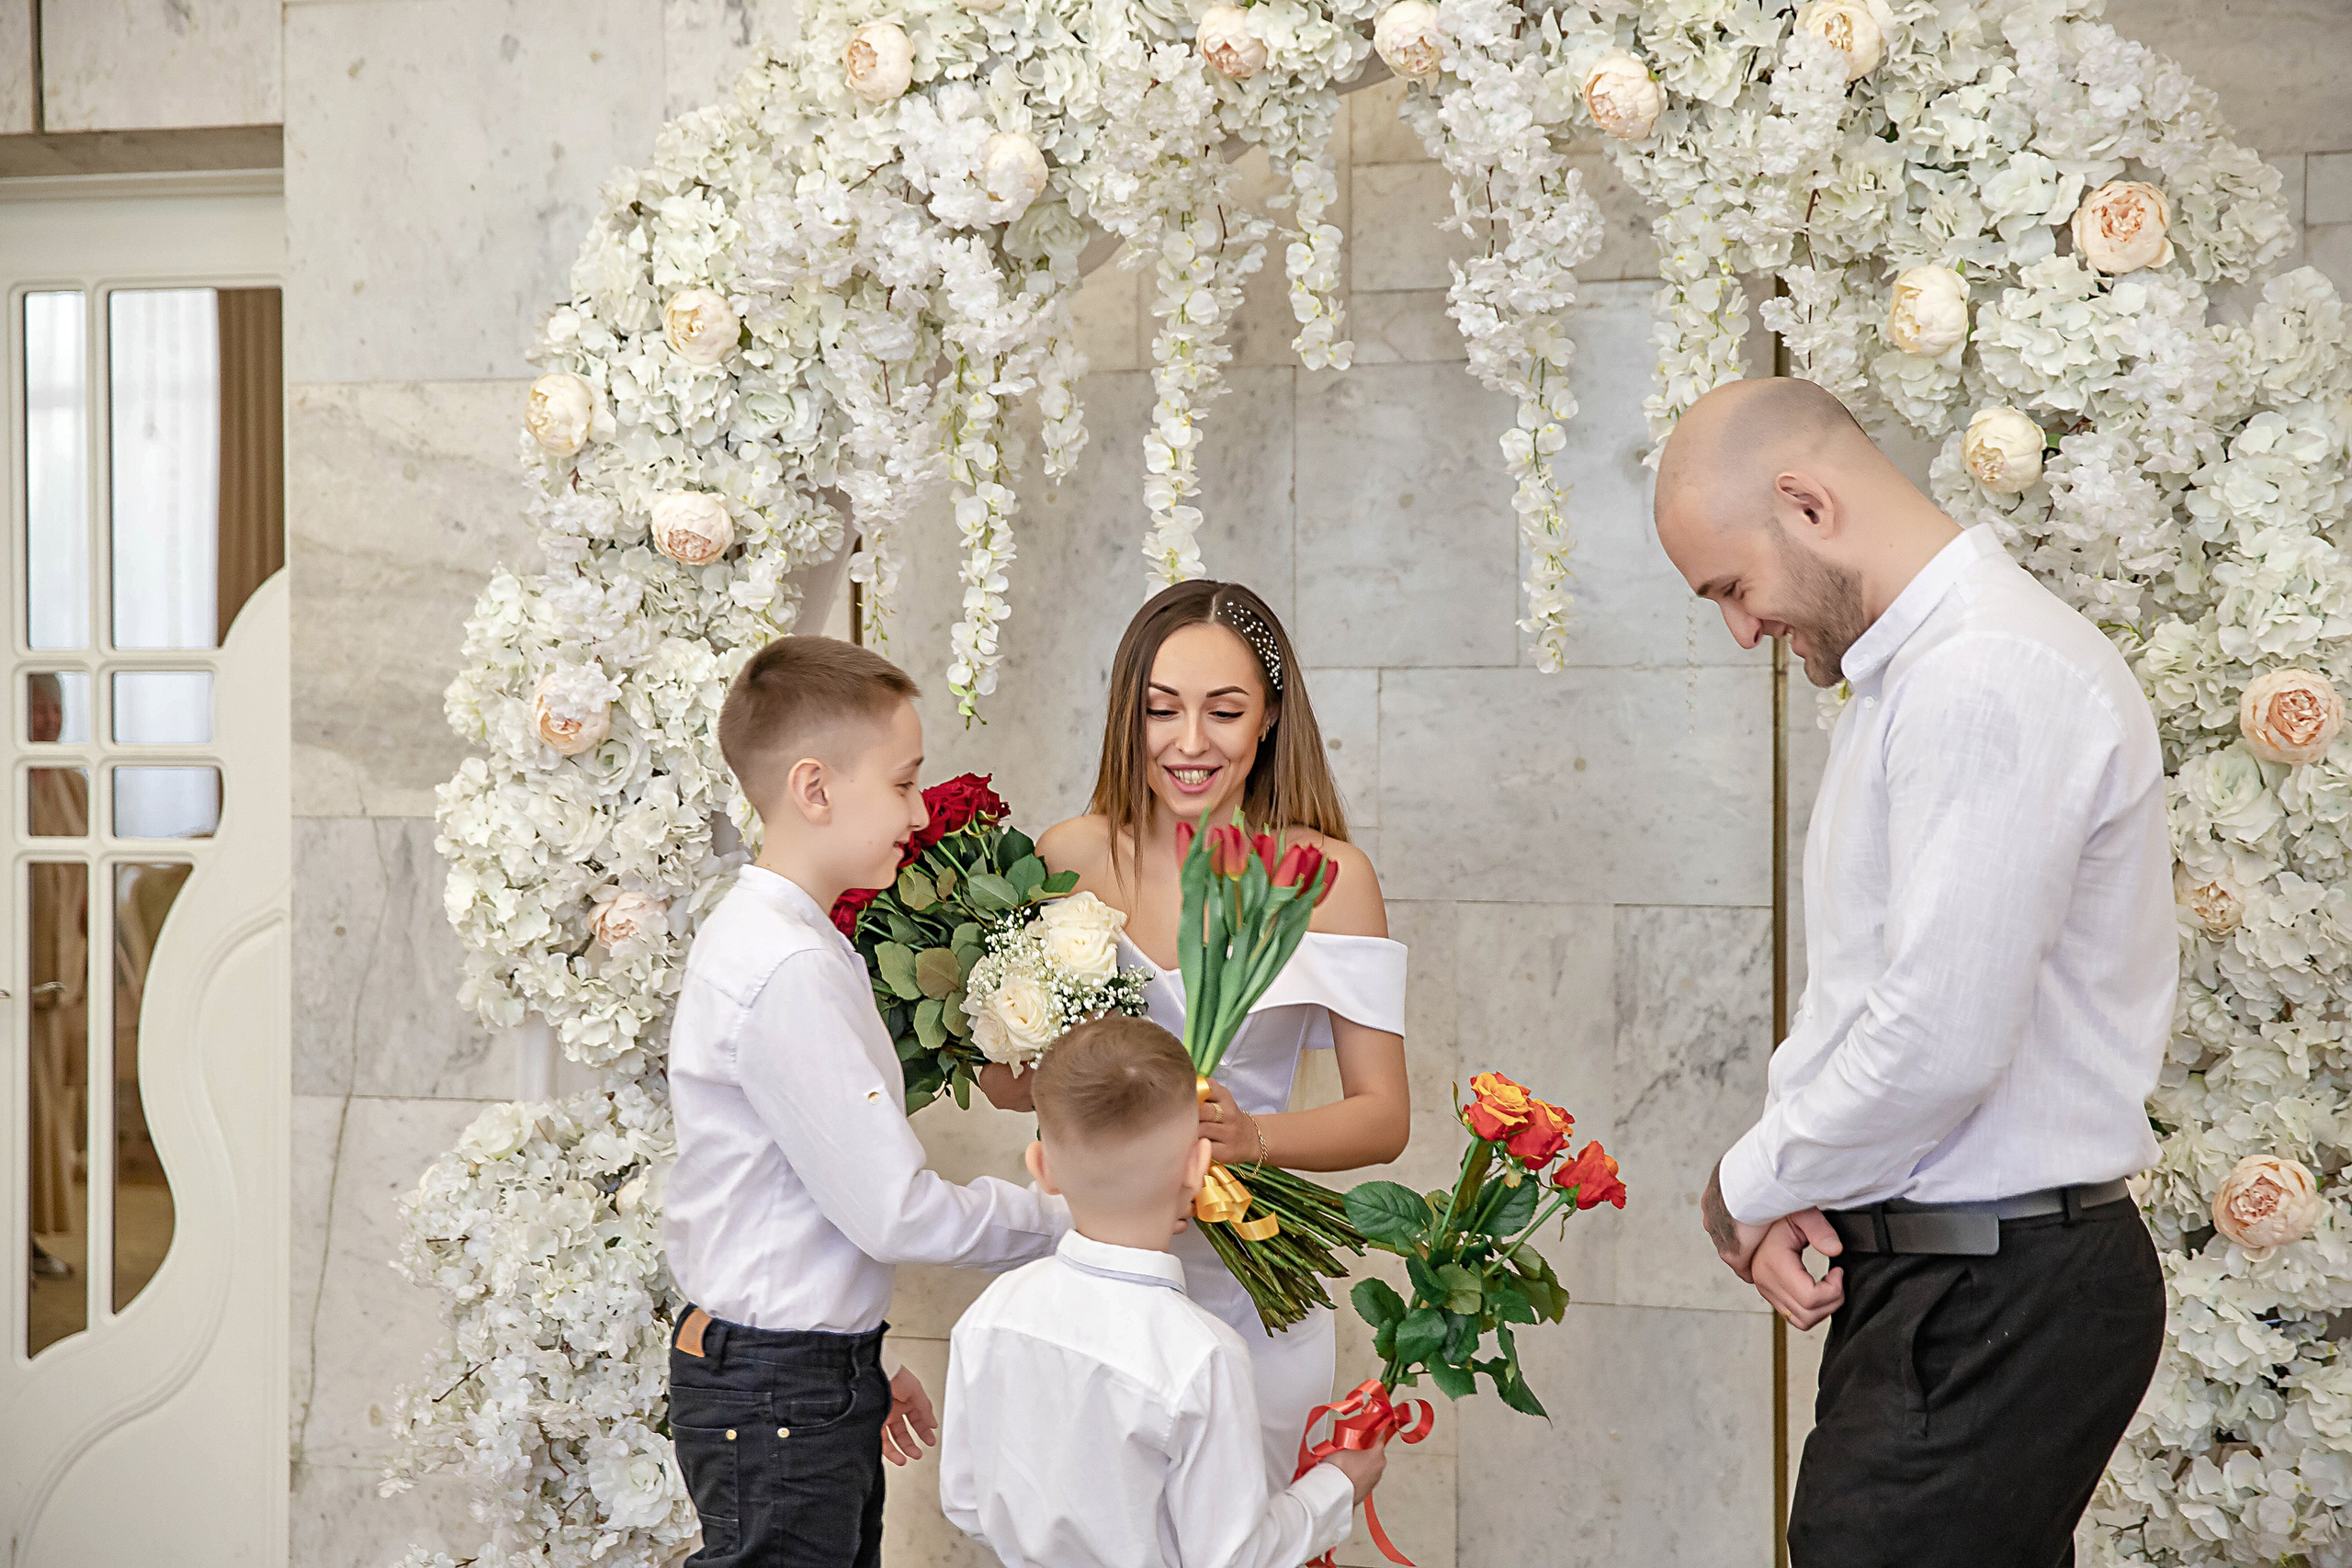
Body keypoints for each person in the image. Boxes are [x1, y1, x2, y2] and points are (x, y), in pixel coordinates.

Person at [1651, 377, 2172, 1564]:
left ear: (1806, 502)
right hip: (1953, 1272)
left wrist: (1744, 1185)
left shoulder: (1985, 673)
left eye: (1733, 586)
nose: (1740, 629)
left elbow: (1938, 1033)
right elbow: (1864, 1004)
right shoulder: (1925, 676)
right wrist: (1808, 1178)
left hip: (1995, 1286)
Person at [662, 635, 1071, 1568]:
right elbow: (892, 1211)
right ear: (815, 788)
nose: (919, 811)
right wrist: (1071, 1220)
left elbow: (789, 1205)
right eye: (901, 783)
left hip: (791, 1373)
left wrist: (856, 1363)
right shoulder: (789, 964)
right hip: (775, 1390)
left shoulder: (789, 938)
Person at [1026, 581, 1410, 1487]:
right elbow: (1025, 1084)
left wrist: (1253, 1139)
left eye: (1224, 711)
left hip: (1249, 1290)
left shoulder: (1330, 877)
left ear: (1271, 716)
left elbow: (1383, 1116)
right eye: (1162, 710)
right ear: (1129, 715)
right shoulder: (1066, 856)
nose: (1190, 743)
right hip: (1091, 1273)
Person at [939, 1013, 1383, 1568]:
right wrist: (1336, 1486)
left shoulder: (990, 1315)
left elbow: (964, 1501)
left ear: (1042, 1168)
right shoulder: (1203, 1355)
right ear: (1199, 1169)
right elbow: (1231, 1560)